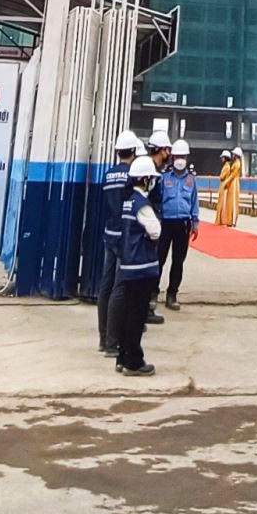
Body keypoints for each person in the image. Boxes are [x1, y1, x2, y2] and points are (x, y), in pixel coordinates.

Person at [109, 156, 164, 375]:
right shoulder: (142, 204)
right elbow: (155, 231)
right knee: (136, 316)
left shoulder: (128, 201)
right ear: (145, 179)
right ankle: (134, 361)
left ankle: (122, 357)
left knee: (127, 313)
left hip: (129, 265)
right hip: (142, 266)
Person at [96, 129, 141, 356]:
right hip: (125, 237)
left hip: (109, 234)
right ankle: (113, 343)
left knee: (105, 286)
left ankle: (103, 338)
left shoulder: (107, 176)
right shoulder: (132, 176)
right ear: (133, 151)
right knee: (120, 288)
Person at [155, 138, 199, 311]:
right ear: (172, 157)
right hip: (165, 223)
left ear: (187, 158)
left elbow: (194, 202)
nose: (180, 160)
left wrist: (195, 223)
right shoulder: (164, 178)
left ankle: (172, 294)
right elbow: (158, 200)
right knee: (159, 259)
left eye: (183, 157)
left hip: (183, 224)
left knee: (178, 261)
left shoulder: (191, 180)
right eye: (178, 156)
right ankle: (152, 292)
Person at [217, 149, 243, 227]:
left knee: (234, 202)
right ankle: (230, 220)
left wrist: (226, 182)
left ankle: (233, 221)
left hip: (234, 183)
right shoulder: (235, 163)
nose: (233, 155)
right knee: (230, 202)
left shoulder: (237, 164)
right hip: (232, 183)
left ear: (237, 155)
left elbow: (233, 175)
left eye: (234, 154)